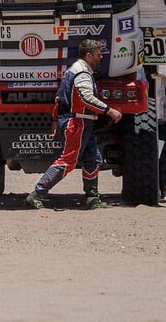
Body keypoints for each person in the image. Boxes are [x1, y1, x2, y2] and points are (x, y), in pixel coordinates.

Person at [26, 38, 121, 210]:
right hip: (78, 123)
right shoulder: (81, 73)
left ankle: (93, 198)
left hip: (82, 122)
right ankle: (37, 193)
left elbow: (59, 99)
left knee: (94, 159)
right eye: (98, 55)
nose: (101, 58)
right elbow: (86, 98)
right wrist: (109, 110)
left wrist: (56, 119)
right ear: (88, 55)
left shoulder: (73, 71)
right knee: (68, 160)